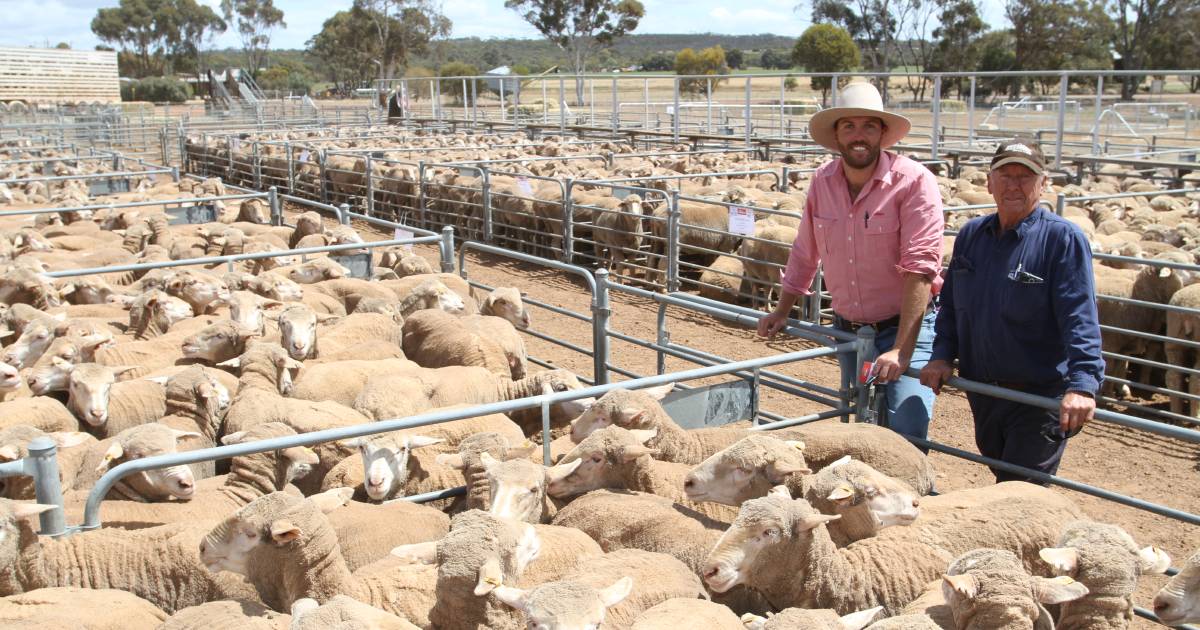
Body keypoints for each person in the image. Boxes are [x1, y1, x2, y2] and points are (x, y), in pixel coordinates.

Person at [758, 82, 945, 442]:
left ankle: (905, 493)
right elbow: (805, 249)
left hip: (904, 328)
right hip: (848, 327)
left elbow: (921, 267)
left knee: (906, 427)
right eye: (849, 126)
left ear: (883, 133)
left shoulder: (914, 182)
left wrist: (900, 351)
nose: (859, 136)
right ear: (837, 135)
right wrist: (782, 310)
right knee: (857, 416)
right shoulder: (821, 181)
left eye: (869, 126)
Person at [919, 137, 1104, 483]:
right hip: (984, 392)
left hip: (1037, 395)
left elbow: (1079, 315)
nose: (1014, 185)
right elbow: (951, 307)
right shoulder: (972, 235)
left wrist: (1082, 384)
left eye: (1025, 177)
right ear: (989, 182)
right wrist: (943, 354)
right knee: (1002, 472)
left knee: (1020, 491)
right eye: (1006, 175)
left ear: (1043, 184)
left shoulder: (1062, 239)